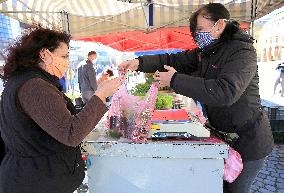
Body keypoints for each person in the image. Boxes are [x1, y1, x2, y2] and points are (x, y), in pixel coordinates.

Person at [119, 3, 274, 193]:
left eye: (200, 29)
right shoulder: (206, 52)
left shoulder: (242, 52)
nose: (197, 35)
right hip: (224, 136)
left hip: (248, 141)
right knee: (218, 186)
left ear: (220, 25)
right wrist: (139, 62)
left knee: (235, 190)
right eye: (195, 32)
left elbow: (224, 92)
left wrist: (175, 79)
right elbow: (172, 60)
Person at [0, 27, 123, 193]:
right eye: (63, 56)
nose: (66, 61)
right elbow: (71, 133)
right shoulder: (34, 86)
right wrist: (101, 95)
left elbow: (59, 122)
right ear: (44, 54)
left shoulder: (26, 81)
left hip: (33, 176)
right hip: (36, 181)